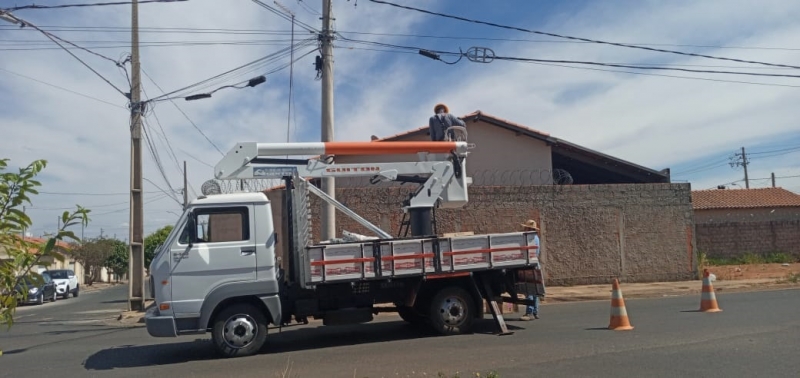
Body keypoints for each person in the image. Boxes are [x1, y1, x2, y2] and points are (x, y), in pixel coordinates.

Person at [520, 219, 541, 321]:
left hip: (530, 266)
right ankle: (535, 312)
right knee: (535, 291)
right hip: (536, 265)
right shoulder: (536, 238)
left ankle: (529, 312)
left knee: (529, 290)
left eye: (526, 228)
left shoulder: (530, 239)